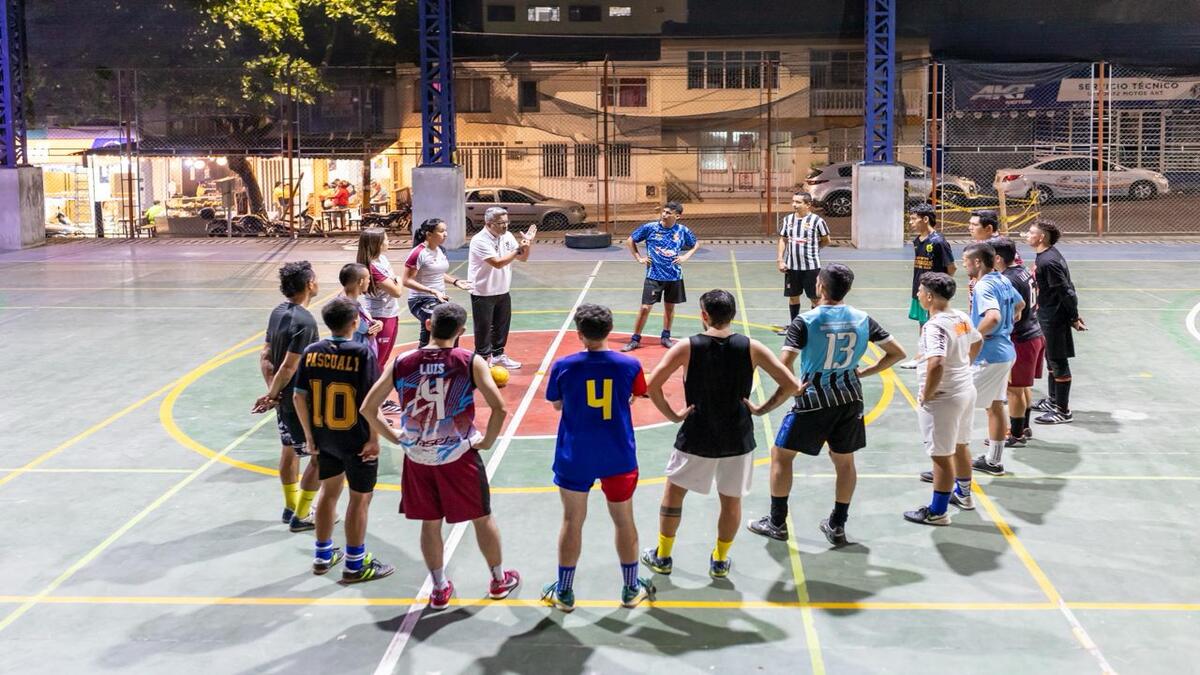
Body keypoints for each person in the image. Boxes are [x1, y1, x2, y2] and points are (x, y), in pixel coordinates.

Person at [361, 302, 521, 609]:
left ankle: (438, 587)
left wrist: (395, 437)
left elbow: (368, 408)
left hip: (418, 457)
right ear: (461, 332)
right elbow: (500, 408)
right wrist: (486, 441)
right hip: (458, 454)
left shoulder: (403, 361)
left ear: (429, 325)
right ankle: (499, 580)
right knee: (482, 517)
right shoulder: (469, 361)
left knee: (430, 522)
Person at [641, 290, 799, 578]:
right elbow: (791, 385)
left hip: (697, 435)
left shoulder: (687, 347)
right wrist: (762, 409)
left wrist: (673, 415)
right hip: (737, 437)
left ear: (704, 315)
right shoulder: (752, 347)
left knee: (674, 494)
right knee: (731, 500)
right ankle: (720, 560)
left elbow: (651, 386)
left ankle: (663, 556)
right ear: (733, 315)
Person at [747, 263, 906, 546]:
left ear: (819, 286)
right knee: (845, 462)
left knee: (781, 456)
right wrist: (864, 372)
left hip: (813, 399)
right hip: (849, 397)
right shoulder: (862, 318)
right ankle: (837, 525)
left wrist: (764, 407)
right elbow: (897, 353)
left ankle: (777, 522)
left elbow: (784, 371)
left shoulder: (806, 321)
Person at [541, 304, 656, 611]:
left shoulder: (564, 365)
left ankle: (564, 592)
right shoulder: (629, 365)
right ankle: (631, 588)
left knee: (571, 520)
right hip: (617, 453)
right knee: (623, 520)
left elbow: (555, 404)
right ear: (609, 330)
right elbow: (635, 395)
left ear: (580, 334)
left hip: (575, 454)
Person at [292, 298, 394, 583]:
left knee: (328, 493)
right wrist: (374, 438)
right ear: (354, 322)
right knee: (359, 500)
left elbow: (299, 395)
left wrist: (310, 436)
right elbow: (371, 402)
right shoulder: (362, 353)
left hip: (325, 437)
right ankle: (355, 564)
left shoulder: (311, 351)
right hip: (358, 439)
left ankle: (323, 556)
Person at [903, 273, 982, 526]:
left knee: (940, 455)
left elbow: (936, 362)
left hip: (944, 397)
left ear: (929, 296)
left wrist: (926, 394)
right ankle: (965, 495)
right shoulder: (961, 317)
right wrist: (964, 365)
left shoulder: (934, 326)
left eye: (919, 291)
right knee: (960, 445)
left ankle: (937, 512)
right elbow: (977, 341)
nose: (917, 295)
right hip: (965, 389)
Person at [252, 261, 323, 532]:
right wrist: (274, 393)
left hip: (283, 399)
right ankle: (303, 514)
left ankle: (290, 505)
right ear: (309, 285)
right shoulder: (305, 321)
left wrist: (273, 393)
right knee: (318, 456)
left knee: (289, 450)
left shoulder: (277, 312)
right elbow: (290, 366)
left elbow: (265, 356)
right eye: (315, 279)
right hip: (300, 401)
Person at [962, 242, 1025, 476]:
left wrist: (971, 337)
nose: (963, 264)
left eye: (966, 260)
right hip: (1006, 352)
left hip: (987, 356)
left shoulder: (983, 286)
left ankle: (948, 468)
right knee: (995, 406)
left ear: (977, 262)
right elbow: (1021, 304)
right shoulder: (1002, 279)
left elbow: (994, 317)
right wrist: (1011, 321)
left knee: (955, 406)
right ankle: (994, 461)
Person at [1025, 220, 1086, 425]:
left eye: (1031, 232)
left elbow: (1066, 291)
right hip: (1046, 314)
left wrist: (1073, 317)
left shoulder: (1048, 261)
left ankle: (1063, 410)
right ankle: (1053, 401)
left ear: (1041, 237)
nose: (1026, 235)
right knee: (1051, 360)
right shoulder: (1045, 256)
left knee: (1058, 361)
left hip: (1054, 318)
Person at [622, 202, 698, 352]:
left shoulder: (682, 230)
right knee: (645, 308)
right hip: (654, 275)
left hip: (674, 276)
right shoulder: (650, 228)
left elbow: (696, 244)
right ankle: (635, 339)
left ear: (677, 216)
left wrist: (685, 256)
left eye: (668, 213)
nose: (664, 215)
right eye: (664, 212)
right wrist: (639, 258)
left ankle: (665, 336)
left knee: (669, 308)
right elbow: (630, 240)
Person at [467, 207, 536, 369]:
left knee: (501, 326)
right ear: (489, 223)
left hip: (503, 289)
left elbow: (523, 258)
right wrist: (518, 248)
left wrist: (527, 245)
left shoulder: (507, 236)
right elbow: (497, 263)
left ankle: (498, 356)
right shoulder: (480, 240)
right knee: (483, 328)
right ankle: (481, 361)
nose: (505, 226)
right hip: (483, 291)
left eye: (507, 222)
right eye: (501, 223)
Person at [992, 237, 1043, 445]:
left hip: (1021, 339)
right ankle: (1023, 427)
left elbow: (1014, 311)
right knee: (1022, 387)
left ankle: (1016, 434)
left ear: (997, 258)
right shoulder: (1022, 271)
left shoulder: (1007, 280)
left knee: (1014, 389)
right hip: (1034, 333)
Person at [899, 204, 954, 369]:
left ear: (925, 219)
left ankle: (925, 356)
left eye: (914, 219)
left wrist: (938, 289)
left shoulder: (938, 242)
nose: (910, 222)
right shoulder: (917, 241)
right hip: (920, 289)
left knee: (933, 323)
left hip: (933, 292)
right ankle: (923, 354)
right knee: (923, 323)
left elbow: (951, 268)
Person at [403, 218, 471, 348]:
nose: (445, 234)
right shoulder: (418, 253)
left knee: (453, 321)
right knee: (438, 321)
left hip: (438, 298)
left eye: (445, 230)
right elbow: (407, 280)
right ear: (429, 234)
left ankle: (450, 355)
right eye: (441, 231)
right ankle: (423, 355)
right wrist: (432, 291)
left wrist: (456, 282)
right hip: (420, 300)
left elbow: (438, 273)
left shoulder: (441, 250)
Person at [357, 228, 404, 406]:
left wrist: (396, 281)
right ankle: (370, 402)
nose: (388, 242)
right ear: (376, 244)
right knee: (376, 361)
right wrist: (397, 281)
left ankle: (378, 400)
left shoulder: (382, 259)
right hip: (380, 317)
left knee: (382, 360)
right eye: (385, 239)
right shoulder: (372, 267)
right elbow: (397, 290)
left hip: (391, 313)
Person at [774, 192, 831, 334]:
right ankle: (794, 327)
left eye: (798, 202)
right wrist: (780, 259)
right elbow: (783, 239)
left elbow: (826, 240)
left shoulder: (817, 221)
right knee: (793, 297)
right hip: (792, 267)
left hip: (811, 267)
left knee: (815, 298)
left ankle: (815, 328)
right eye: (793, 201)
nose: (794, 205)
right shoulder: (788, 220)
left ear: (808, 204)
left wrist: (814, 248)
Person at [338, 263, 382, 363]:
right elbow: (366, 328)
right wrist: (376, 324)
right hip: (357, 359)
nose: (369, 281)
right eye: (368, 278)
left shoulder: (351, 301)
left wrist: (377, 322)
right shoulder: (346, 305)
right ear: (361, 281)